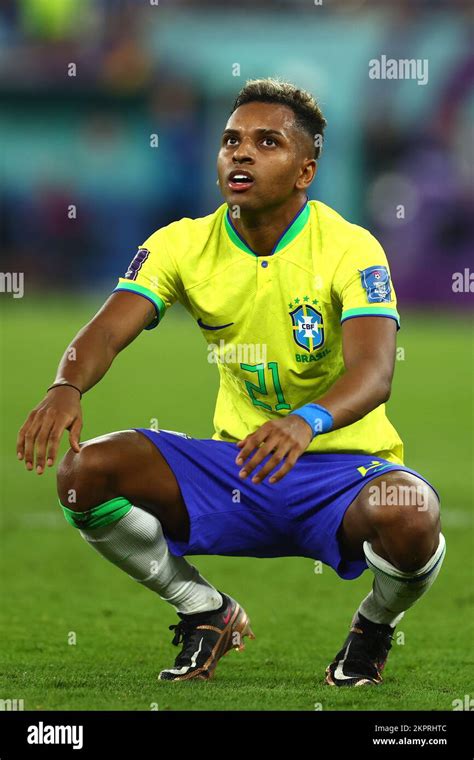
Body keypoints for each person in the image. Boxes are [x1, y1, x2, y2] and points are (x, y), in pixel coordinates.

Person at [17, 78, 445, 686]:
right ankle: (203, 610)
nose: (240, 153)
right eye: (231, 140)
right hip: (238, 467)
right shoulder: (182, 244)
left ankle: (372, 626)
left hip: (342, 475)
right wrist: (66, 386)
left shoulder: (352, 249)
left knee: (412, 513)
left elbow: (375, 374)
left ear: (305, 171)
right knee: (85, 475)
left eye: (266, 142)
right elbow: (108, 331)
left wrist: (305, 422)